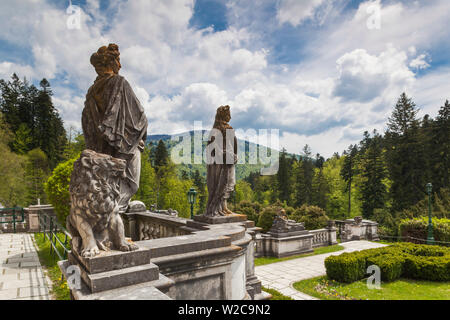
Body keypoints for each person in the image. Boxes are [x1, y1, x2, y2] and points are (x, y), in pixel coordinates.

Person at [82, 43, 148, 212]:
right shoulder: (119, 82)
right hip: (124, 144)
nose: (120, 65)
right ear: (111, 63)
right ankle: (113, 216)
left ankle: (108, 213)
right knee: (131, 184)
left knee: (109, 185)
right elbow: (138, 116)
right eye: (118, 61)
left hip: (102, 147)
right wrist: (137, 137)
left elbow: (87, 121)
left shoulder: (92, 90)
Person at [204, 105, 237, 216]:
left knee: (228, 184)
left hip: (228, 161)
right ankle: (218, 208)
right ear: (224, 115)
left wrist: (233, 156)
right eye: (228, 115)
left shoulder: (224, 129)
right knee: (223, 184)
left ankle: (223, 207)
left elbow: (234, 145)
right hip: (222, 163)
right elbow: (211, 148)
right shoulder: (219, 130)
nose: (230, 117)